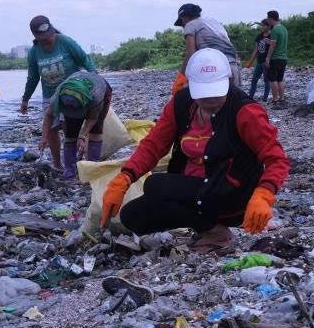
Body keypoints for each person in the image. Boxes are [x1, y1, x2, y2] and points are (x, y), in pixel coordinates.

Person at [101, 48, 289, 254]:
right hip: (195, 190)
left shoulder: (245, 111)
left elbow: (276, 158)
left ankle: (218, 234)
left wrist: (264, 194)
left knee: (156, 184)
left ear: (228, 82)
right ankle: (205, 225)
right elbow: (153, 145)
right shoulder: (181, 105)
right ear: (191, 86)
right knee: (132, 216)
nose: (211, 100)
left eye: (216, 93)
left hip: (233, 195)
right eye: (204, 94)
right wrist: (125, 177)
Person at [19, 15, 96, 172]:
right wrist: (25, 99)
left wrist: (94, 78)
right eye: (43, 37)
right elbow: (33, 78)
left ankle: (74, 162)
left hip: (71, 94)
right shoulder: (34, 52)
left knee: (69, 128)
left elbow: (84, 59)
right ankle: (57, 163)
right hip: (49, 94)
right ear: (35, 36)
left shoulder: (65, 42)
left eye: (49, 35)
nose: (48, 39)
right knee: (51, 129)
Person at [48, 71, 112, 178]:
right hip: (73, 92)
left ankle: (93, 167)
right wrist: (44, 137)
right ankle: (70, 169)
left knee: (96, 129)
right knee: (70, 133)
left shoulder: (97, 96)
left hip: (101, 89)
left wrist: (82, 136)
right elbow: (48, 116)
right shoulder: (58, 96)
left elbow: (92, 118)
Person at [172, 4, 241, 95]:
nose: (183, 26)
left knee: (204, 97)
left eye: (181, 24)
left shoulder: (190, 25)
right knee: (231, 100)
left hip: (214, 69)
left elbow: (191, 54)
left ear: (184, 18)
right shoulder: (213, 23)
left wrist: (181, 77)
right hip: (233, 66)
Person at [265, 10, 289, 104]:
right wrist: (269, 41)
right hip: (284, 58)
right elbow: (278, 42)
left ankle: (275, 99)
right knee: (280, 79)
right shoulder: (284, 29)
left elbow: (273, 45)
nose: (267, 20)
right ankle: (282, 98)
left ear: (271, 18)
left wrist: (268, 58)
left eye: (268, 18)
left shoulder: (275, 29)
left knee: (273, 79)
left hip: (275, 58)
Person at [245, 19, 272, 102]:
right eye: (261, 25)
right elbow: (256, 49)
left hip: (266, 61)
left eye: (264, 25)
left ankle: (265, 99)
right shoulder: (259, 36)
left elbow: (274, 48)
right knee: (254, 79)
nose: (262, 27)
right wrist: (251, 61)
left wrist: (269, 59)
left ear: (268, 26)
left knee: (266, 80)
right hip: (259, 61)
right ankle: (250, 97)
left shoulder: (271, 36)